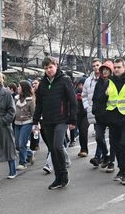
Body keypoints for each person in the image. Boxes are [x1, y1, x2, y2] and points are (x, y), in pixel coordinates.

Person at [33, 57, 77, 189]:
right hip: (47, 121)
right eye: (46, 68)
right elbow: (39, 104)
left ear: (56, 66)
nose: (48, 70)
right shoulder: (43, 83)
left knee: (58, 146)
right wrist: (35, 121)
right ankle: (58, 178)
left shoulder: (65, 80)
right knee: (52, 149)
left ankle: (64, 175)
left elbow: (73, 101)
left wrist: (73, 120)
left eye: (50, 67)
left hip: (62, 120)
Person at [92, 60, 116, 173]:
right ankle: (106, 155)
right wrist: (94, 110)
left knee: (113, 140)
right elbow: (96, 98)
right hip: (100, 115)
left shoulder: (114, 82)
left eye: (107, 70)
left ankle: (111, 162)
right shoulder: (99, 83)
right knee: (98, 137)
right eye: (103, 70)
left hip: (111, 115)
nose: (105, 72)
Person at [83, 59, 103, 166]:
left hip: (104, 112)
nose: (96, 67)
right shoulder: (88, 80)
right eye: (94, 66)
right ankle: (101, 155)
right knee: (99, 136)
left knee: (100, 135)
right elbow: (84, 95)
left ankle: (98, 156)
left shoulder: (105, 78)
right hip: (93, 112)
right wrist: (87, 106)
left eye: (98, 65)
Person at [14, 80, 35, 170]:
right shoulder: (15, 98)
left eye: (19, 86)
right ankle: (30, 153)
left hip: (27, 122)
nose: (18, 88)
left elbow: (34, 113)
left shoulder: (30, 100)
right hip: (16, 123)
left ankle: (23, 163)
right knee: (17, 145)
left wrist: (35, 125)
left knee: (22, 143)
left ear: (24, 88)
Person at [74, 78, 89, 157]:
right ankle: (82, 148)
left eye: (83, 85)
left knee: (83, 130)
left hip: (87, 114)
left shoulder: (88, 92)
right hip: (78, 114)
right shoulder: (75, 92)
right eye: (80, 85)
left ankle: (84, 149)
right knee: (80, 132)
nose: (81, 86)